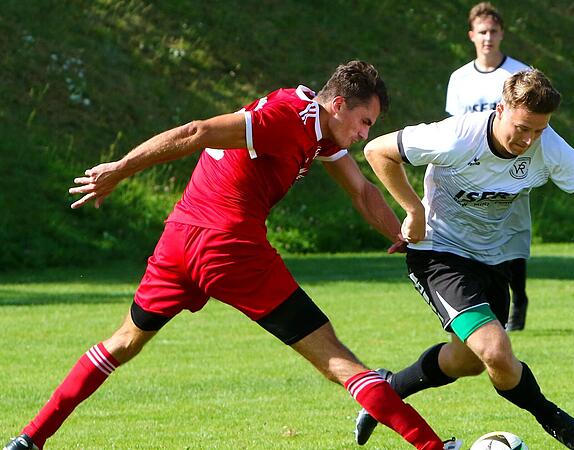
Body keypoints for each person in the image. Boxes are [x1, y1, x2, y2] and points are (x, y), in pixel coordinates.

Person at [3, 61, 461, 450]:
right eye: (364, 122)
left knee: (122, 342)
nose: (364, 135)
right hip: (229, 248)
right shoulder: (287, 114)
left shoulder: (321, 133)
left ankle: (30, 439)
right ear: (338, 103)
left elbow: (362, 192)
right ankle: (434, 447)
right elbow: (197, 131)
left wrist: (406, 238)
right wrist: (120, 169)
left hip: (178, 243)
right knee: (337, 358)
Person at [353, 68, 574, 449]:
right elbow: (377, 150)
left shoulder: (547, 147)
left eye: (539, 130)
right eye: (522, 127)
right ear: (501, 108)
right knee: (495, 350)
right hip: (439, 253)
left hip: (493, 259)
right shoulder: (458, 136)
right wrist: (414, 211)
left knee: (468, 361)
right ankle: (556, 421)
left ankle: (386, 391)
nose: (529, 139)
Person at [446, 1, 531, 331]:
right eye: (482, 32)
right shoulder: (460, 79)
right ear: (471, 35)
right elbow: (455, 127)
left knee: (512, 236)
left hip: (511, 166)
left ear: (502, 34)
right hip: (472, 168)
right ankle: (479, 301)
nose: (488, 37)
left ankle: (518, 298)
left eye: (494, 31)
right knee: (476, 234)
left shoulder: (519, 75)